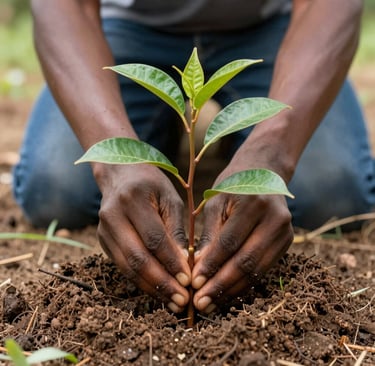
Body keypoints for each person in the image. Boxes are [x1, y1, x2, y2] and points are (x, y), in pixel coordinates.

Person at [13, 0, 369, 314]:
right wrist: (116, 158)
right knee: (56, 191)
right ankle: (162, 131)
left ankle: (235, 142)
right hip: (123, 29)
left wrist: (273, 149)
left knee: (333, 193)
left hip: (273, 28)